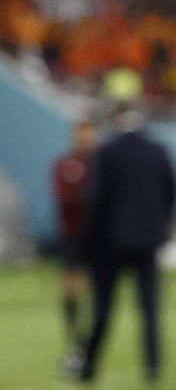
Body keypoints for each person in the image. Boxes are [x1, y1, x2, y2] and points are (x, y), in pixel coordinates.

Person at [69, 104, 176, 385]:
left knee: (103, 308)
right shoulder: (157, 151)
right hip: (147, 241)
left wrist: (87, 244)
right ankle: (152, 367)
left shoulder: (107, 153)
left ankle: (90, 365)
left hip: (110, 243)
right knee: (149, 308)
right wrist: (161, 226)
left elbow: (96, 201)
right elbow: (172, 191)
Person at [50, 118, 97, 355]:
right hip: (73, 233)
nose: (85, 138)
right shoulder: (65, 163)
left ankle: (91, 337)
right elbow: (63, 197)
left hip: (98, 235)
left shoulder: (102, 162)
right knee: (72, 284)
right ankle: (75, 336)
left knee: (95, 286)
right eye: (82, 133)